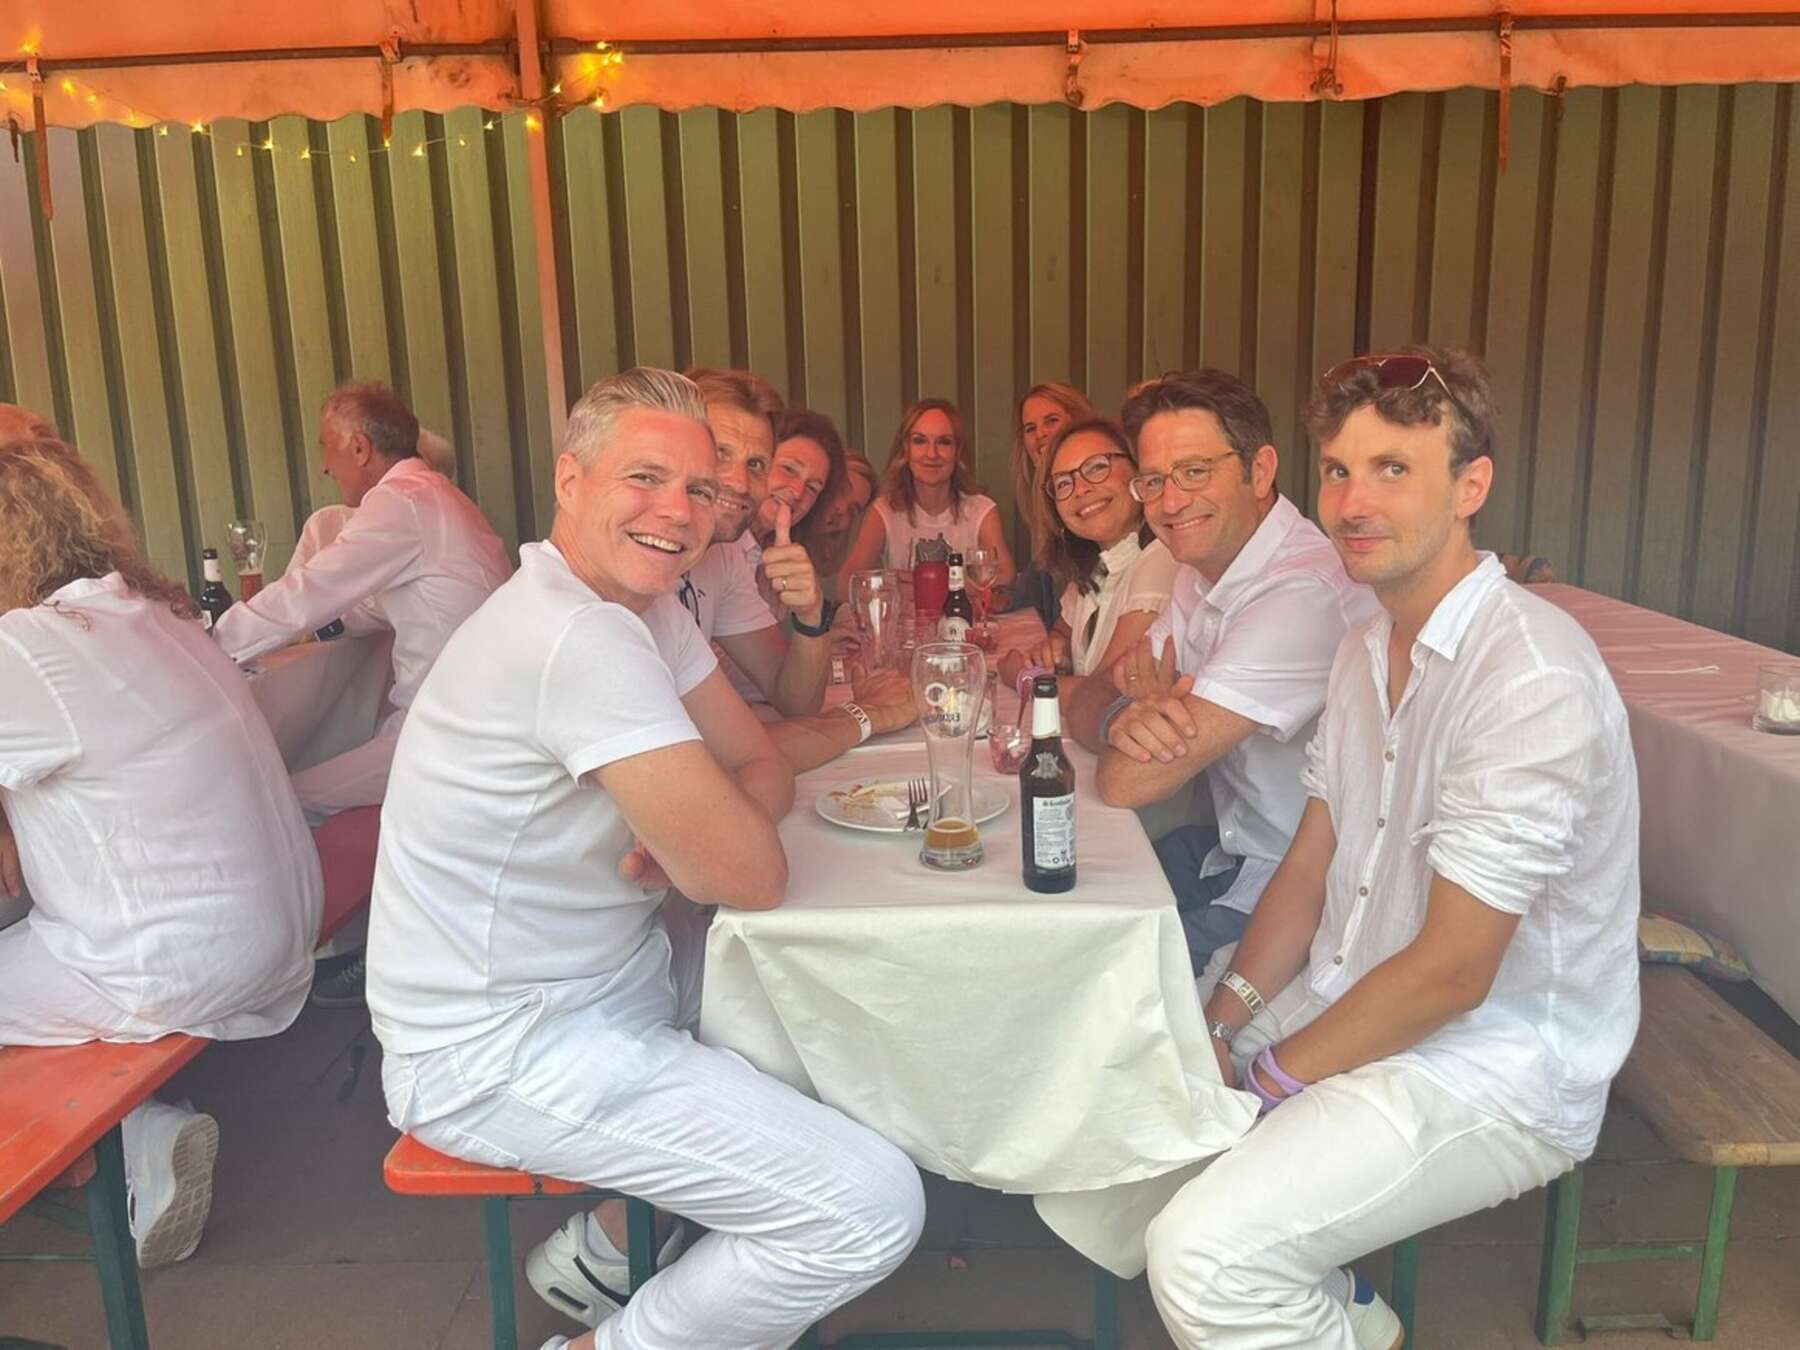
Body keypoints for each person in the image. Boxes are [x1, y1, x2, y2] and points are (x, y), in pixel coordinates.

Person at [366, 368, 924, 1350]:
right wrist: (704, 833)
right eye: (646, 478)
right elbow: (751, 875)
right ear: (570, 480)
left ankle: (614, 1256)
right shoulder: (573, 632)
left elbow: (759, 760)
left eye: (701, 489)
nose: (679, 510)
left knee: (843, 1012)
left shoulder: (644, 608)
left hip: (612, 981)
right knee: (869, 1207)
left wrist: (702, 823)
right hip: (499, 1047)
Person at [1141, 346, 1640, 1350]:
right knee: (1132, 1125)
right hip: (1348, 992)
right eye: (1339, 470)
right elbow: (1310, 866)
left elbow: (1455, 971)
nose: (1353, 502)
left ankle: (1310, 1311)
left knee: (1203, 1258)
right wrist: (1224, 1021)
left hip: (1493, 1064)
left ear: (1471, 487)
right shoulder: (1364, 644)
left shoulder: (1528, 674)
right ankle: (1350, 1318)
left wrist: (1268, 1082)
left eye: (1393, 469)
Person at [0, 435, 322, 1269]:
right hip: (277, 933)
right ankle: (126, 1137)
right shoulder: (153, 614)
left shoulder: (28, 646)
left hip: (172, 962)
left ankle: (122, 1144)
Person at [1063, 370, 1377, 973]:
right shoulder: (1198, 571)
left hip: (1303, 888)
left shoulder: (1300, 591)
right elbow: (1087, 702)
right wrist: (1125, 715)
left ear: (1259, 471)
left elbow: (1127, 782)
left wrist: (1135, 721)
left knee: (1105, 970)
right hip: (1227, 850)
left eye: (1194, 471)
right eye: (1153, 481)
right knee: (1067, 895)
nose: (1170, 502)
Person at [215, 383, 512, 818]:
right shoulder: (438, 496)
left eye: (325, 446)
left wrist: (207, 646)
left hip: (449, 733)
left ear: (359, 447)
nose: (323, 466)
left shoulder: (402, 501)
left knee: (281, 805)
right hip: (473, 718)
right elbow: (374, 605)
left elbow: (308, 591)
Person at [679, 374, 834, 716]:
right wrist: (869, 717)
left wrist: (811, 615)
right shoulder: (629, 564)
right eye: (720, 454)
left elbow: (795, 700)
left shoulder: (723, 555)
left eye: (755, 464)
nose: (739, 482)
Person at [997, 417, 1179, 701]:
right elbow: (1062, 629)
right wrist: (1056, 646)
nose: (1080, 489)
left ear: (1138, 471)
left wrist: (1023, 678)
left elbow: (1104, 695)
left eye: (1097, 467)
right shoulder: (1095, 565)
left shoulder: (1162, 558)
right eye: (1063, 483)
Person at [836, 398, 1016, 586]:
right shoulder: (884, 509)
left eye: (944, 442)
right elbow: (846, 583)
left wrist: (917, 582)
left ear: (957, 452)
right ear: (906, 449)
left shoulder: (982, 509)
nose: (931, 454)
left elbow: (1005, 575)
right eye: (920, 441)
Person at [1003, 382, 1096, 627]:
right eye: (1030, 428)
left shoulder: (1094, 496)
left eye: (1052, 421)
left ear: (1079, 423)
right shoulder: (1044, 502)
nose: (1040, 434)